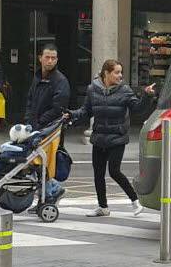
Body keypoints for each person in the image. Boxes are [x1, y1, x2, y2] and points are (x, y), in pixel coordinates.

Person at [66, 59, 156, 218]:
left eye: (121, 72)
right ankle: (103, 207)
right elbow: (85, 111)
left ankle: (135, 201)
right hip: (99, 136)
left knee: (114, 171)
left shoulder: (125, 91)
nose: (120, 75)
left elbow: (138, 109)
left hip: (117, 137)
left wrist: (147, 96)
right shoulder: (93, 89)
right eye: (117, 72)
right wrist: (71, 114)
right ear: (106, 73)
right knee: (98, 173)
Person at [24, 43, 70, 197]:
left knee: (44, 165)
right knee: (35, 164)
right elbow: (30, 101)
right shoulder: (37, 78)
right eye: (47, 57)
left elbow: (58, 108)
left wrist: (39, 123)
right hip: (35, 129)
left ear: (57, 60)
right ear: (40, 58)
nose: (50, 61)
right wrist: (29, 123)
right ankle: (48, 195)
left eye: (53, 58)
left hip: (51, 131)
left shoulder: (60, 81)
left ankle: (51, 194)